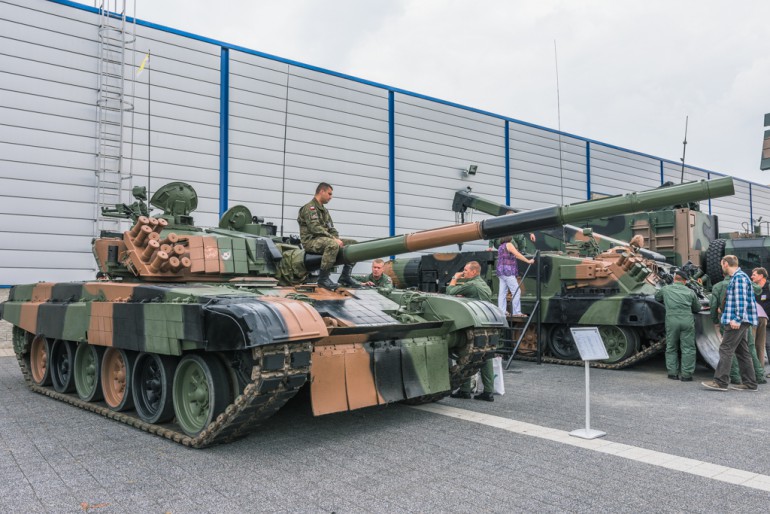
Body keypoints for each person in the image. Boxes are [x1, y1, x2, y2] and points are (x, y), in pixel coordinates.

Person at [702, 255, 758, 391]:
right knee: (742, 351)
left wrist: (737, 319)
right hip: (740, 320)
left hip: (736, 321)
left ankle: (720, 382)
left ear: (726, 263)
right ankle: (750, 383)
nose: (722, 267)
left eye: (722, 264)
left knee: (725, 349)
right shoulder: (739, 277)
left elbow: (741, 301)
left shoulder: (738, 278)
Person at [447, 261, 496, 402]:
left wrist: (455, 278)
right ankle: (488, 391)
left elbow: (449, 292)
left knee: (465, 356)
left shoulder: (471, 284)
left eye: (466, 270)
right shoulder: (483, 284)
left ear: (474, 272)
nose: (464, 272)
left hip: (474, 326)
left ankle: (465, 390)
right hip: (487, 323)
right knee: (485, 357)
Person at [298, 182, 360, 290]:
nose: (331, 197)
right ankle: (323, 279)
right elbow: (315, 228)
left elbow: (331, 228)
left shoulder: (324, 211)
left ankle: (345, 276)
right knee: (332, 244)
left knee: (353, 244)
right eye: (329, 194)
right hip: (311, 241)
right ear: (321, 191)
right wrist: (333, 239)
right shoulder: (310, 208)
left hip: (324, 239)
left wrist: (336, 238)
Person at [654, 270, 701, 381]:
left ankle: (672, 373)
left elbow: (657, 298)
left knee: (671, 347)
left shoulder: (666, 289)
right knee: (688, 348)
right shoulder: (690, 292)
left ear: (675, 279)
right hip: (687, 321)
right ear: (685, 281)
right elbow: (697, 308)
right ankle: (686, 375)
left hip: (672, 321)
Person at [496, 235, 534, 316]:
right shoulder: (509, 244)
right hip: (508, 271)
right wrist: (528, 261)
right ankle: (516, 312)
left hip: (501, 272)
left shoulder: (500, 247)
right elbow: (517, 254)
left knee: (502, 292)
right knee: (516, 291)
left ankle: (502, 311)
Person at [751, 267, 770, 367]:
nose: (751, 277)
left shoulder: (768, 287)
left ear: (761, 276)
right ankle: (759, 369)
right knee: (762, 345)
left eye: (754, 275)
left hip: (766, 321)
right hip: (759, 321)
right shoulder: (753, 289)